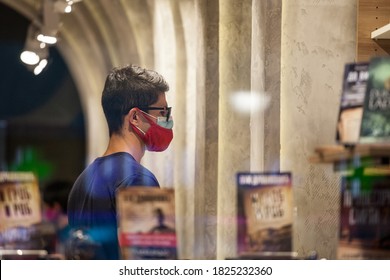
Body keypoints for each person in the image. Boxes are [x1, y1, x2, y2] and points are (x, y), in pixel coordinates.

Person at [67, 64, 174, 259]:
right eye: (162, 112)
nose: (167, 120)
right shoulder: (138, 180)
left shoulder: (82, 181)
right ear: (135, 117)